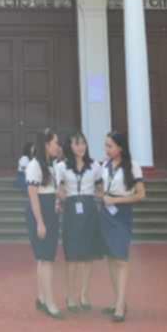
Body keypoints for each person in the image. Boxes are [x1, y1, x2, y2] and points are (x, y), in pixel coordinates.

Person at [97, 130, 146, 323]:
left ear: (120, 147)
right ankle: (118, 300)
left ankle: (120, 306)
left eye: (110, 145)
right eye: (106, 145)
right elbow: (101, 188)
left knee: (121, 260)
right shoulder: (104, 166)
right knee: (110, 257)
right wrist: (102, 196)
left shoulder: (133, 167)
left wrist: (117, 199)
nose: (106, 149)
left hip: (122, 215)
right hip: (106, 215)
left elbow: (141, 195)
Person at [56, 132, 104, 311]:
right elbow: (58, 189)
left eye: (83, 143)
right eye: (77, 144)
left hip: (90, 210)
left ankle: (84, 294)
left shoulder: (95, 166)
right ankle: (70, 296)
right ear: (70, 146)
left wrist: (100, 196)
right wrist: (62, 197)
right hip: (71, 210)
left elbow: (100, 189)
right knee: (72, 256)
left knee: (87, 255)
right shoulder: (62, 167)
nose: (81, 147)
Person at [22, 133, 64, 318]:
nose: (58, 146)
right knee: (46, 259)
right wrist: (40, 222)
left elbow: (49, 191)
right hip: (40, 214)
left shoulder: (50, 165)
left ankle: (41, 297)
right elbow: (33, 196)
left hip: (50, 212)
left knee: (43, 258)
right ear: (46, 144)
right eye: (55, 143)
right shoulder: (34, 165)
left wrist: (56, 202)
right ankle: (50, 302)